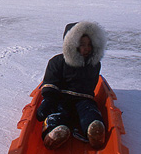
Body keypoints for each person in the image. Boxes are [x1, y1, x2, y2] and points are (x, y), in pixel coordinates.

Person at [36, 21, 107, 150]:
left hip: (84, 99)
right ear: (72, 45)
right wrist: (48, 100)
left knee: (90, 111)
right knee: (58, 113)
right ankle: (55, 133)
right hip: (61, 98)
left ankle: (94, 130)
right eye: (82, 44)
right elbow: (51, 81)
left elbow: (90, 87)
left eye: (89, 44)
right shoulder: (57, 62)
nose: (86, 48)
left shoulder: (94, 64)